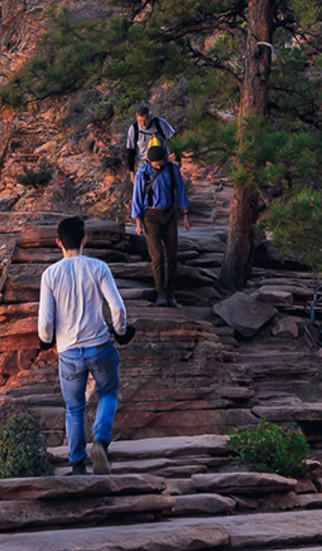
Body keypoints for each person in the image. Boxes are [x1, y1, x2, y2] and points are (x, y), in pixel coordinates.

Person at [38, 217, 135, 475]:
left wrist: (46, 340)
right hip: (100, 346)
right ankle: (101, 441)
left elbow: (46, 320)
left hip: (69, 352)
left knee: (74, 408)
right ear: (84, 240)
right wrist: (121, 331)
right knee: (108, 393)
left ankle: (78, 464)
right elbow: (117, 307)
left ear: (58, 242)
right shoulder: (98, 267)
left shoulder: (50, 275)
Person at [133, 145, 191, 307]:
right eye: (155, 164)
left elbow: (181, 191)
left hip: (169, 214)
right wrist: (138, 222)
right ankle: (161, 293)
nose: (158, 166)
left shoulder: (172, 170)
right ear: (149, 161)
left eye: (160, 163)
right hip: (150, 216)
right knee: (157, 256)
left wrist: (185, 215)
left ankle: (171, 292)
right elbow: (137, 197)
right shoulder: (142, 174)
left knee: (172, 255)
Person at [125, 105, 176, 181]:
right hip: (144, 163)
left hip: (162, 161)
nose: (143, 124)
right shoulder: (134, 129)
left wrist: (177, 158)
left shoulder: (160, 124)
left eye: (146, 120)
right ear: (136, 118)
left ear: (150, 116)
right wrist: (131, 172)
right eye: (140, 121)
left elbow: (174, 139)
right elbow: (130, 151)